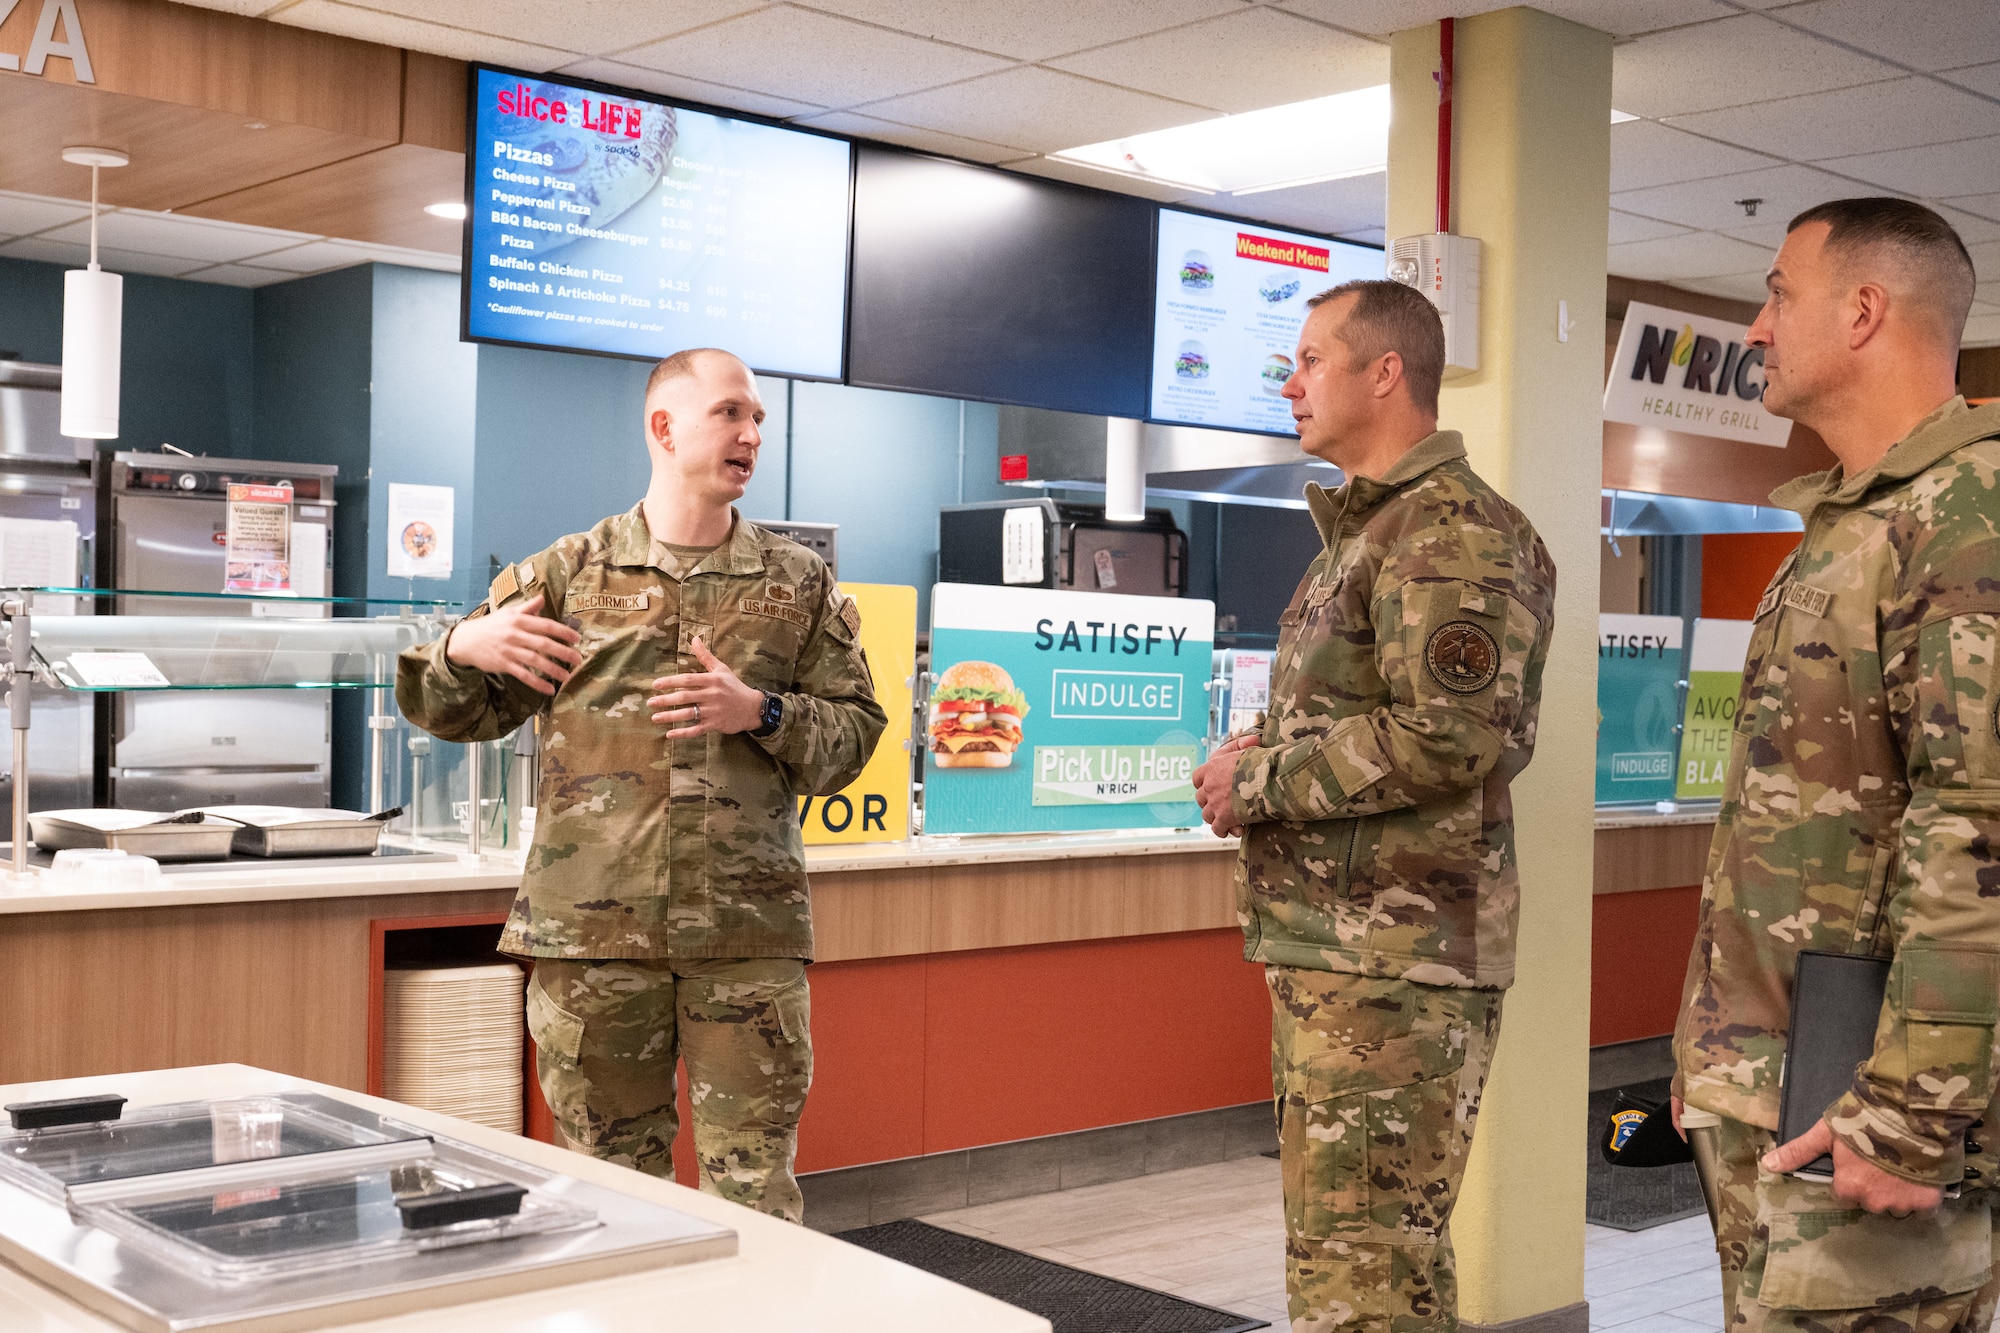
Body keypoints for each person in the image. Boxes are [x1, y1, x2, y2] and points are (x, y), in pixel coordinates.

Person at [397, 347, 886, 1223]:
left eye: (758, 419)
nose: (752, 433)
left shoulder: (797, 585)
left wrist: (760, 712)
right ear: (664, 427)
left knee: (756, 1199)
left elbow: (853, 742)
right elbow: (453, 712)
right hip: (593, 941)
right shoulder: (569, 574)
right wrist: (457, 649)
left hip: (745, 936)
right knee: (610, 1199)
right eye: (730, 413)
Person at [1191, 279, 1557, 1331]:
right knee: (1351, 1264)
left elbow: (1448, 735)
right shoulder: (1369, 531)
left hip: (1393, 963)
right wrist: (1263, 744)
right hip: (1343, 954)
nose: (1288, 382)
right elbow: (1384, 714)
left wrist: (1254, 781)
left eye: (1309, 359)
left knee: (1365, 1280)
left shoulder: (1449, 534)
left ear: (1383, 372)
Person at [1670, 198, 2000, 1328]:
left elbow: (1979, 835)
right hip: (1773, 1092)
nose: (1754, 328)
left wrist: (1910, 1115)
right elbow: (1794, 829)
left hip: (1866, 1111)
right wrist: (1710, 1048)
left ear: (1862, 311)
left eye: (1775, 293)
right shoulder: (1851, 523)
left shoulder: (1966, 518)